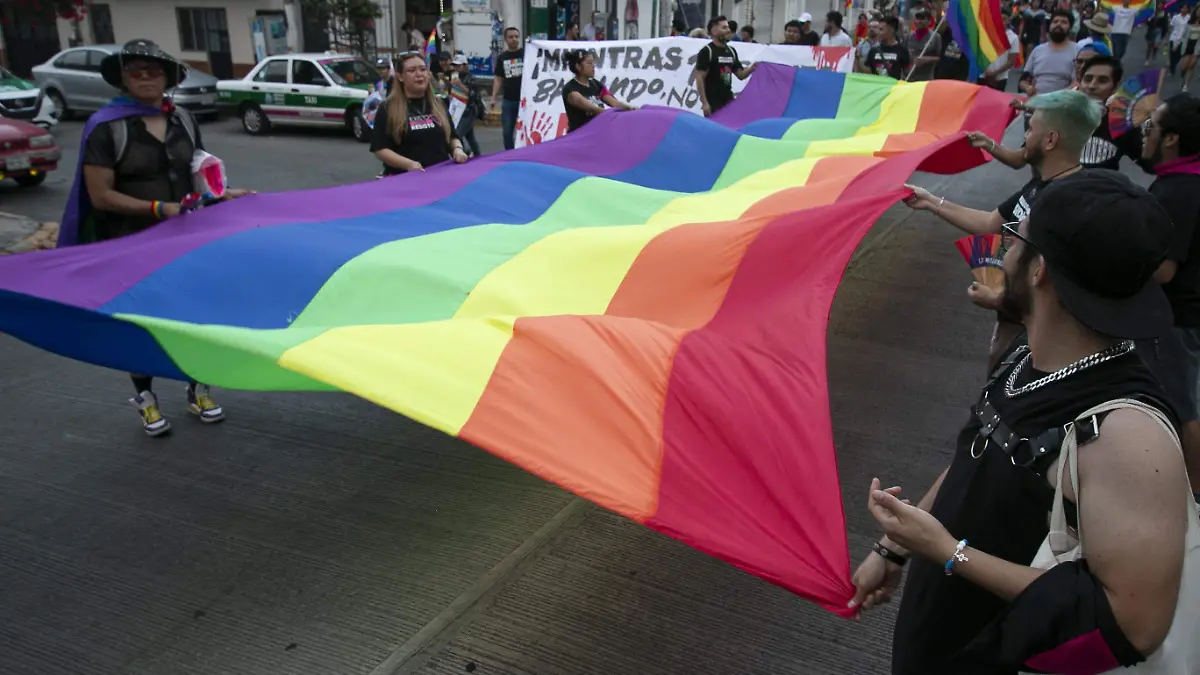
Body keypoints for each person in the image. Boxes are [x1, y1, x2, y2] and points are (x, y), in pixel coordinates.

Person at [855, 170, 1193, 675]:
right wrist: (897, 547)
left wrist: (948, 553)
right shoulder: (1029, 354)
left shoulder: (1129, 434)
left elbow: (1135, 622)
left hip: (1012, 654)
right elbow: (980, 453)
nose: (1002, 249)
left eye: (1015, 236)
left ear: (1040, 271)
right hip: (942, 634)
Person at [55, 39, 253, 436]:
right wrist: (157, 209)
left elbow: (199, 171)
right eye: (136, 70)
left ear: (168, 76)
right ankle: (145, 399)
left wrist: (223, 195)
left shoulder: (182, 118)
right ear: (124, 79)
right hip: (131, 242)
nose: (146, 76)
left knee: (192, 317)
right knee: (141, 324)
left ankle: (198, 389)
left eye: (154, 69)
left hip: (184, 239)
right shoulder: (106, 127)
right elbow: (100, 195)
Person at [913, 89, 1097, 366]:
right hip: (1015, 325)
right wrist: (931, 202)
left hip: (1037, 345)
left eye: (1031, 129)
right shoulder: (1042, 183)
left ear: (1050, 140)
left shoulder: (1069, 204)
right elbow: (990, 222)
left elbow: (1056, 293)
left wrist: (1000, 299)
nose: (1024, 136)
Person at [1140, 94, 1200, 499]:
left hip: (1175, 318)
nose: (1145, 135)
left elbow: (1162, 269)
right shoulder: (1180, 180)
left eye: (1152, 128)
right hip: (1179, 315)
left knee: (1181, 407)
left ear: (1172, 139)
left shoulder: (1179, 190)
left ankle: (1194, 494)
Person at [371, 52, 469, 176]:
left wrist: (458, 150)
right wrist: (408, 164)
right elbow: (380, 149)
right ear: (400, 76)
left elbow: (452, 137)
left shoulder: (439, 104)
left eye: (423, 69)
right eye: (412, 70)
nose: (419, 74)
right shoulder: (387, 108)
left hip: (441, 176)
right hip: (405, 179)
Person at [693, 16, 758, 117]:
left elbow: (740, 75)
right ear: (714, 31)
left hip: (728, 100)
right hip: (713, 102)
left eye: (728, 28)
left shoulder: (731, 51)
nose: (728, 31)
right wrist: (705, 103)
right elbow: (699, 77)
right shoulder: (707, 51)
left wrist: (752, 68)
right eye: (724, 28)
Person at [561, 50, 632, 133]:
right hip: (579, 136)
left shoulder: (596, 84)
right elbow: (592, 109)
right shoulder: (571, 89)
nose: (593, 66)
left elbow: (614, 103)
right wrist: (614, 114)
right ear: (578, 66)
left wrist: (630, 109)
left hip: (597, 133)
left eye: (593, 62)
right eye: (589, 63)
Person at [1019, 8, 1077, 97]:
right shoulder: (1038, 50)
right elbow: (1023, 80)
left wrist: (1052, 98)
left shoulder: (1077, 51)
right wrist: (1028, 88)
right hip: (1035, 103)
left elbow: (1076, 84)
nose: (1058, 24)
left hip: (1063, 104)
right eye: (1055, 21)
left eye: (1063, 22)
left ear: (1070, 27)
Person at [491, 27, 523, 150]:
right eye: (511, 37)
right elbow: (498, 79)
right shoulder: (502, 58)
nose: (514, 39)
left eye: (516, 36)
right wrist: (493, 98)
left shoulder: (526, 53)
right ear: (505, 39)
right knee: (507, 132)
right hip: (508, 100)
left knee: (525, 130)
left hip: (525, 101)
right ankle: (510, 154)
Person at [906, 8, 942, 81]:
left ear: (929, 21)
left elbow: (940, 57)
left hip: (925, 78)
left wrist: (926, 59)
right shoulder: (909, 35)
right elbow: (903, 52)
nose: (919, 21)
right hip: (908, 76)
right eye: (917, 18)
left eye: (922, 19)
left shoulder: (935, 37)